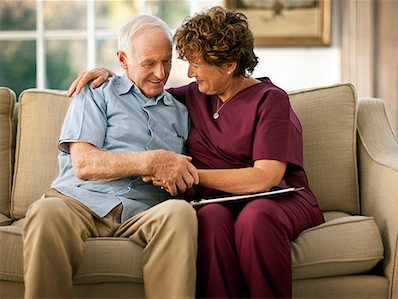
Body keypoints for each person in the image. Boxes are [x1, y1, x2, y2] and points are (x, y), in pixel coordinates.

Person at [69, 6, 325, 298]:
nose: (188, 73)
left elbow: (265, 177)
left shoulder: (270, 100)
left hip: (278, 197)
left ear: (229, 65)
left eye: (197, 65)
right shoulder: (193, 96)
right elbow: (142, 89)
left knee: (256, 218)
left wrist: (189, 174)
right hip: (219, 201)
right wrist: (110, 76)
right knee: (210, 218)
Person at [22, 15, 199, 299]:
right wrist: (150, 161)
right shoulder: (95, 92)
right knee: (46, 213)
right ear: (123, 59)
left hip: (145, 210)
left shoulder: (183, 111)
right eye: (149, 63)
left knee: (180, 213)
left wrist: (181, 181)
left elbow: (187, 178)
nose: (160, 73)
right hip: (80, 201)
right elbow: (84, 164)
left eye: (166, 61)